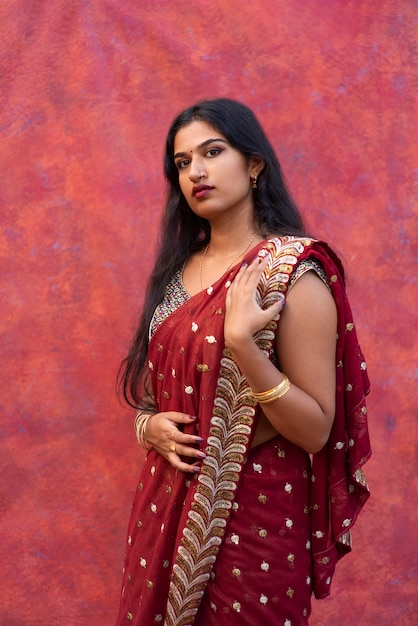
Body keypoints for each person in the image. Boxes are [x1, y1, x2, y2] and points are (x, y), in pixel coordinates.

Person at [115, 98, 371, 626]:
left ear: (254, 164)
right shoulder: (177, 272)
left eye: (213, 151)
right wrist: (148, 427)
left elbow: (317, 429)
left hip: (253, 522)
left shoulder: (293, 271)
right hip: (164, 511)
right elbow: (158, 396)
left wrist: (246, 350)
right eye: (183, 162)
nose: (197, 172)